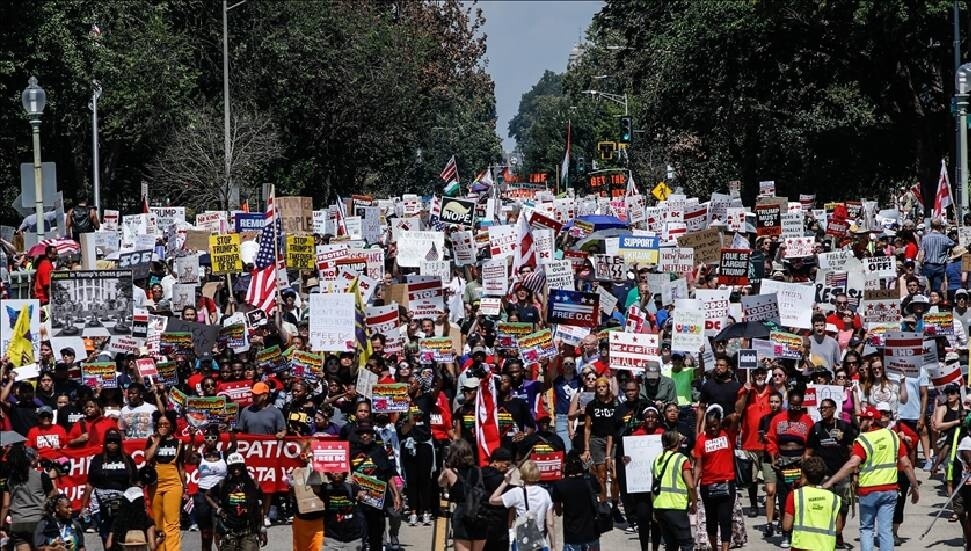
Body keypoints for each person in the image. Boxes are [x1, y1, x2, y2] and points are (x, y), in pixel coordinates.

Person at [823, 406, 920, 551]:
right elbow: (906, 463)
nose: (860, 421)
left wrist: (831, 481)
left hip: (868, 491)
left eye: (863, 419)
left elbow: (852, 463)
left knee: (867, 528)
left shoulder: (863, 439)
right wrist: (914, 485)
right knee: (885, 530)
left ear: (872, 420)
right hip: (889, 490)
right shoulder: (893, 436)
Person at [765, 386, 814, 548]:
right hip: (783, 465)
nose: (795, 408)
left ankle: (798, 532)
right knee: (784, 499)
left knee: (799, 499)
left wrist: (806, 458)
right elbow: (771, 440)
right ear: (788, 403)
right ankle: (785, 533)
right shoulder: (778, 419)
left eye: (798, 405)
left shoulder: (807, 421)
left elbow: (811, 444)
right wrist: (773, 458)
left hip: (800, 465)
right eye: (792, 404)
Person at [806, 398, 856, 549]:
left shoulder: (843, 426)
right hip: (824, 475)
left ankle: (838, 533)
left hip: (842, 472)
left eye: (826, 408)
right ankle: (825, 534)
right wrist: (807, 473)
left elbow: (851, 450)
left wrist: (855, 474)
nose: (823, 411)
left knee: (843, 506)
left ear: (834, 409)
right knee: (824, 506)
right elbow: (809, 452)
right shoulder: (817, 427)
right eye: (821, 409)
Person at [692, 405, 740, 551]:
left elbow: (735, 416)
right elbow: (698, 465)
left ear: (720, 423)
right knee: (711, 520)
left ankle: (725, 548)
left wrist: (721, 418)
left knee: (725, 518)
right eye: (709, 426)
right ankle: (714, 547)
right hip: (708, 484)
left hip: (726, 483)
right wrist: (693, 485)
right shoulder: (701, 439)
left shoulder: (728, 434)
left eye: (715, 425)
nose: (712, 429)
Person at [81, 429, 137, 547]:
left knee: (120, 535)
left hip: (122, 502)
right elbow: (90, 484)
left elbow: (135, 483)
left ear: (119, 443)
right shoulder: (97, 459)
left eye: (115, 442)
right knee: (106, 536)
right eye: (109, 442)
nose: (112, 444)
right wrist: (83, 506)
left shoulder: (127, 459)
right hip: (101, 504)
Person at [488, 459, 556, 551]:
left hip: (523, 539)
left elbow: (492, 500)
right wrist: (553, 546)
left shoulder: (516, 492)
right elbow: (550, 523)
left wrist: (504, 483)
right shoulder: (545, 493)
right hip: (539, 539)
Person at [582, 376, 623, 523]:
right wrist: (586, 448)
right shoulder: (591, 405)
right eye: (598, 387)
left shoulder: (616, 404)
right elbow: (587, 427)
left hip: (613, 440)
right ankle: (603, 506)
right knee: (601, 477)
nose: (600, 389)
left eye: (603, 386)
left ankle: (615, 507)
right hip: (596, 440)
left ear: (608, 388)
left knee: (615, 476)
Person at [1, 443, 56, 551]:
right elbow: (53, 497)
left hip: (18, 523)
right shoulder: (41, 477)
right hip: (39, 521)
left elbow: (6, 505)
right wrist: (53, 479)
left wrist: (1, 526)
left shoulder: (10, 480)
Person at [208, 453, 267, 551]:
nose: (236, 469)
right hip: (229, 533)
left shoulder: (252, 484)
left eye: (238, 466)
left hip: (248, 532)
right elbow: (207, 495)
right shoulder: (223, 485)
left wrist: (262, 529)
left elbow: (259, 507)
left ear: (243, 466)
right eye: (233, 467)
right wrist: (217, 509)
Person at [782, 456, 842, 551]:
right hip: (825, 547)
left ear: (804, 475)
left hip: (801, 547)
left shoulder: (796, 495)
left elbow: (786, 526)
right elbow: (838, 529)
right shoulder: (835, 499)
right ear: (823, 477)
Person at [144, 411, 185, 551]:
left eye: (166, 424)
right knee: (157, 521)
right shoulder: (151, 439)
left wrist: (185, 488)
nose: (163, 426)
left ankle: (173, 549)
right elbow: (148, 458)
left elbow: (181, 468)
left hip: (173, 483)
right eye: (160, 424)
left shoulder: (178, 442)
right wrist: (157, 441)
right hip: (155, 484)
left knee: (172, 521)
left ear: (171, 425)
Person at [437, 439, 488, 551]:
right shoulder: (479, 470)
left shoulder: (450, 472)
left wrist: (445, 468)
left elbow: (440, 483)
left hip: (462, 515)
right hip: (480, 514)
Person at [652, 429, 696, 551]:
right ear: (677, 441)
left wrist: (654, 508)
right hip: (676, 507)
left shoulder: (657, 459)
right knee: (686, 544)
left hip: (659, 506)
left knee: (670, 545)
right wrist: (694, 503)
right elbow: (691, 486)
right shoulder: (681, 459)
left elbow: (653, 486)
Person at [551, 450, 601, 551]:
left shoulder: (560, 485)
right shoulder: (590, 480)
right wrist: (590, 468)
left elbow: (558, 512)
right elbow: (600, 490)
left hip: (572, 535)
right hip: (591, 533)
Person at [321, 471, 366, 551]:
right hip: (331, 539)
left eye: (339, 471)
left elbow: (362, 492)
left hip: (352, 540)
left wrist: (362, 494)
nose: (336, 473)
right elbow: (315, 488)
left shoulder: (351, 487)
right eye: (333, 471)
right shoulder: (325, 488)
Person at [106, 486, 157, 551]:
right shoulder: (147, 520)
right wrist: (159, 539)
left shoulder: (118, 520)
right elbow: (152, 546)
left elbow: (108, 545)